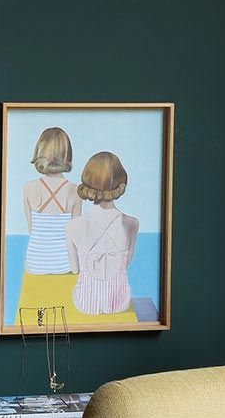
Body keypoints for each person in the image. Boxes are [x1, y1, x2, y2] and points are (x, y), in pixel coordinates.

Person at [65, 150, 139, 315]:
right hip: (119, 302)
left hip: (84, 302)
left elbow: (75, 270)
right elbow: (125, 265)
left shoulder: (71, 226)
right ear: (121, 182)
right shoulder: (132, 224)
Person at [22, 127, 81, 274]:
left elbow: (32, 230)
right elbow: (75, 237)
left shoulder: (28, 188)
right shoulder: (75, 191)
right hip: (64, 265)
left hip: (35, 264)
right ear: (68, 155)